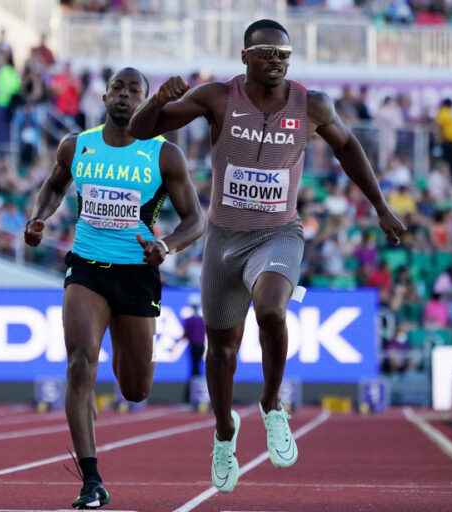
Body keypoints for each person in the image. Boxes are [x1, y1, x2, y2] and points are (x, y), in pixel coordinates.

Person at [128, 19, 406, 493]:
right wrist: (157, 100)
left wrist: (380, 207)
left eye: (284, 55)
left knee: (273, 309)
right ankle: (223, 433)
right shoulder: (217, 97)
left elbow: (349, 148)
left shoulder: (311, 104)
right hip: (223, 240)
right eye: (267, 54)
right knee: (222, 351)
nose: (277, 62)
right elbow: (141, 132)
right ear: (245, 57)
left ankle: (272, 405)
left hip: (279, 233)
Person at [24, 67, 204, 509]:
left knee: (136, 388)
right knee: (80, 363)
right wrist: (40, 217)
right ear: (104, 96)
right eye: (118, 89)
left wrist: (166, 245)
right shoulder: (77, 145)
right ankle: (91, 479)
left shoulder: (163, 155)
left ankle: (123, 374)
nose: (124, 96)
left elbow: (196, 220)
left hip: (138, 272)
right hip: (86, 267)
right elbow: (53, 186)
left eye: (134, 91)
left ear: (144, 100)